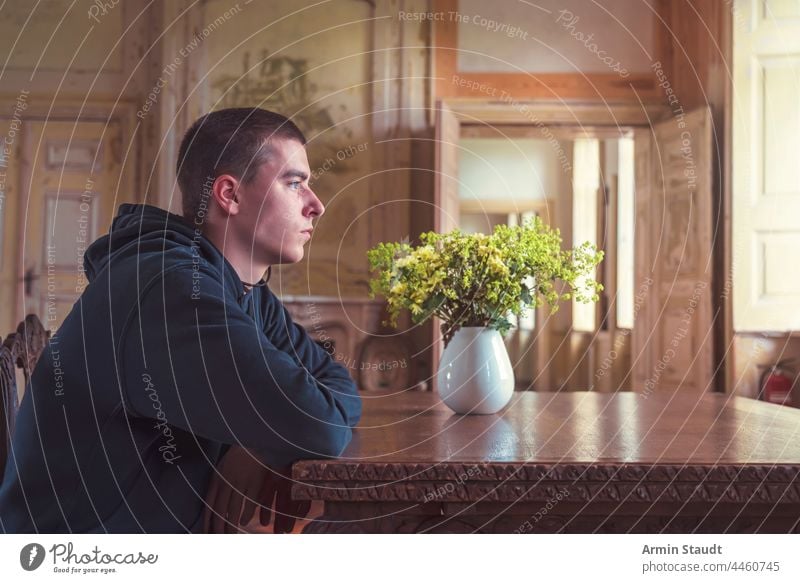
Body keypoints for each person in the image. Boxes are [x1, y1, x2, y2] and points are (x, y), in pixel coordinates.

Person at [0, 108, 361, 533]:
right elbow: (318, 423)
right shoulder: (171, 290)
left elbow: (337, 387)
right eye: (295, 183)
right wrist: (280, 431)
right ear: (230, 194)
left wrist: (263, 445)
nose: (316, 205)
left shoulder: (243, 290)